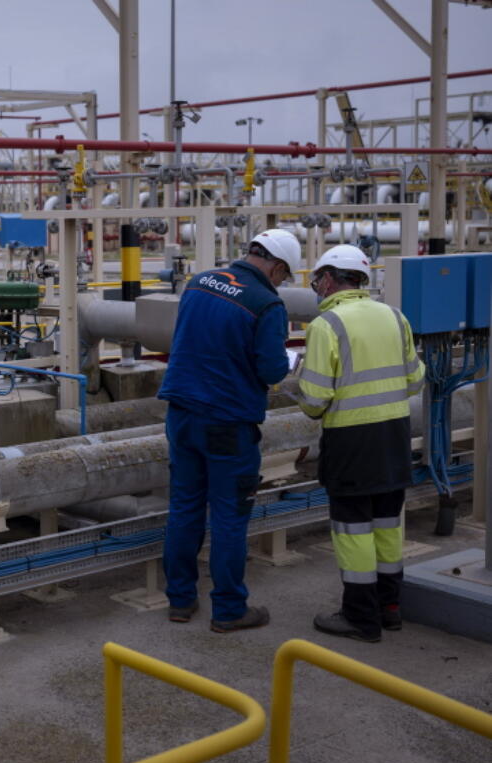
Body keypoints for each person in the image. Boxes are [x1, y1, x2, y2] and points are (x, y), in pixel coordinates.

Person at [158, 229, 300, 632]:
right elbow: (272, 370)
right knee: (228, 516)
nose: (281, 283)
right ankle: (229, 609)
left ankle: (181, 601)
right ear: (276, 266)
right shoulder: (266, 304)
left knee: (185, 508)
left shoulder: (200, 281)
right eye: (283, 276)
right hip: (228, 423)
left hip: (181, 413)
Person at [297, 244, 425, 643]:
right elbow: (415, 380)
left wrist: (296, 388)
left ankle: (360, 619)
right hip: (395, 436)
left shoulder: (326, 325)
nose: (317, 287)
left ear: (332, 278)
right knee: (388, 527)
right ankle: (390, 609)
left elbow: (315, 403)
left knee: (353, 532)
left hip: (351, 442)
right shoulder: (394, 316)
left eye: (318, 279)